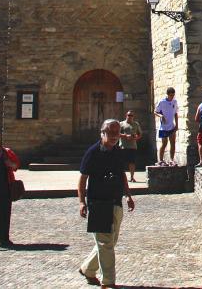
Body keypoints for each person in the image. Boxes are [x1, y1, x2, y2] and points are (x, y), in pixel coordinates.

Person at [78, 119, 136, 288]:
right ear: (102, 133)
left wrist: (128, 195)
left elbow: (122, 174)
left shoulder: (118, 151)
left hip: (115, 201)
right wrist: (82, 202)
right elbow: (82, 180)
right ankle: (108, 282)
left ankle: (87, 269)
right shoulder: (92, 152)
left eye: (116, 133)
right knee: (105, 244)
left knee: (110, 242)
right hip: (98, 203)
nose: (114, 137)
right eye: (110, 133)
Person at [155, 87, 179, 165]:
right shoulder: (162, 102)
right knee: (164, 143)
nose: (172, 97)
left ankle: (172, 159)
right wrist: (161, 116)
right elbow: (156, 112)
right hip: (164, 127)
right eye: (171, 95)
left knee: (173, 143)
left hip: (171, 126)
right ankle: (160, 160)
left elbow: (175, 113)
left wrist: (177, 125)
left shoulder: (174, 102)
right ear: (167, 95)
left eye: (173, 95)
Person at [119, 111, 143, 183]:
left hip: (132, 146)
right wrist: (125, 136)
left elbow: (140, 134)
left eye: (131, 115)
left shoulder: (136, 124)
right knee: (121, 163)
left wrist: (136, 138)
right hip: (123, 146)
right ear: (126, 115)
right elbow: (117, 133)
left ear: (133, 116)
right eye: (129, 115)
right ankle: (121, 177)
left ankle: (132, 177)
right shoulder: (121, 124)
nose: (130, 116)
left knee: (132, 163)